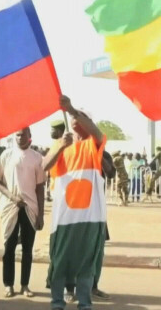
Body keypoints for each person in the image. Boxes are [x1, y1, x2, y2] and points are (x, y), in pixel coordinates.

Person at [43, 96, 106, 310]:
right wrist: (60, 147)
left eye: (82, 118)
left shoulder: (93, 145)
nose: (76, 121)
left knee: (86, 263)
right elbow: (44, 166)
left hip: (90, 217)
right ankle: (57, 303)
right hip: (64, 218)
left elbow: (96, 132)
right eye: (73, 118)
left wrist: (70, 108)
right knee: (59, 262)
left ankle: (85, 304)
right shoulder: (62, 146)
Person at [0, 127, 45, 300]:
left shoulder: (37, 158)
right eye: (17, 134)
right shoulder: (6, 155)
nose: (20, 137)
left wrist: (41, 215)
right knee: (9, 248)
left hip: (30, 208)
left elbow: (39, 188)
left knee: (28, 249)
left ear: (30, 136)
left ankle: (25, 285)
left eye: (23, 134)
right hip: (10, 207)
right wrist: (11, 197)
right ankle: (8, 285)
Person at [47, 120, 66, 203]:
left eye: (52, 130)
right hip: (56, 183)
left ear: (58, 131)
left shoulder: (60, 145)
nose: (50, 132)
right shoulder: (56, 144)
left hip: (61, 185)